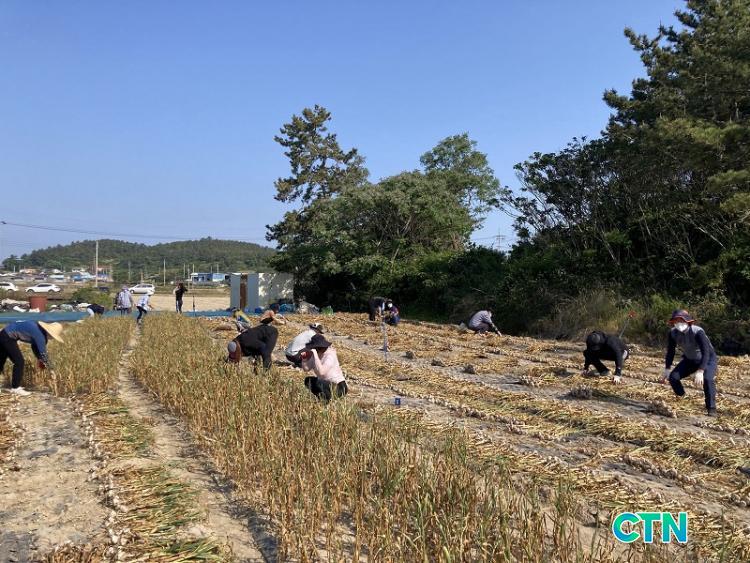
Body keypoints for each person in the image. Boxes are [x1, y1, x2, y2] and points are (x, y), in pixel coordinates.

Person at [659, 309, 718, 416]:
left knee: (707, 379)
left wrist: (700, 371)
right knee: (673, 378)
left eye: (681, 320)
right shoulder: (673, 333)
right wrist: (667, 369)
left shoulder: (697, 332)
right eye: (676, 321)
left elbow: (706, 352)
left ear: (687, 321)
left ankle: (711, 408)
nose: (678, 323)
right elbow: (671, 351)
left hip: (708, 359)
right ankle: (683, 397)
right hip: (689, 359)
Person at [0, 321, 64, 396]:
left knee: (1, 360)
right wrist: (51, 369)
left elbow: (34, 347)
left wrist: (40, 359)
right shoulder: (40, 336)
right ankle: (15, 388)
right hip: (7, 337)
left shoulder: (39, 331)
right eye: (53, 336)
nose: (52, 338)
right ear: (50, 333)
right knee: (19, 362)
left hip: (4, 334)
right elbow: (43, 354)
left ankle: (14, 387)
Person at [301, 333, 348, 402]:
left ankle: (327, 400)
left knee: (319, 382)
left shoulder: (330, 355)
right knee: (308, 381)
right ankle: (322, 398)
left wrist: (315, 355)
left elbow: (322, 372)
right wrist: (304, 359)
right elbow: (306, 369)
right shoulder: (316, 354)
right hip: (325, 384)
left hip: (338, 387)